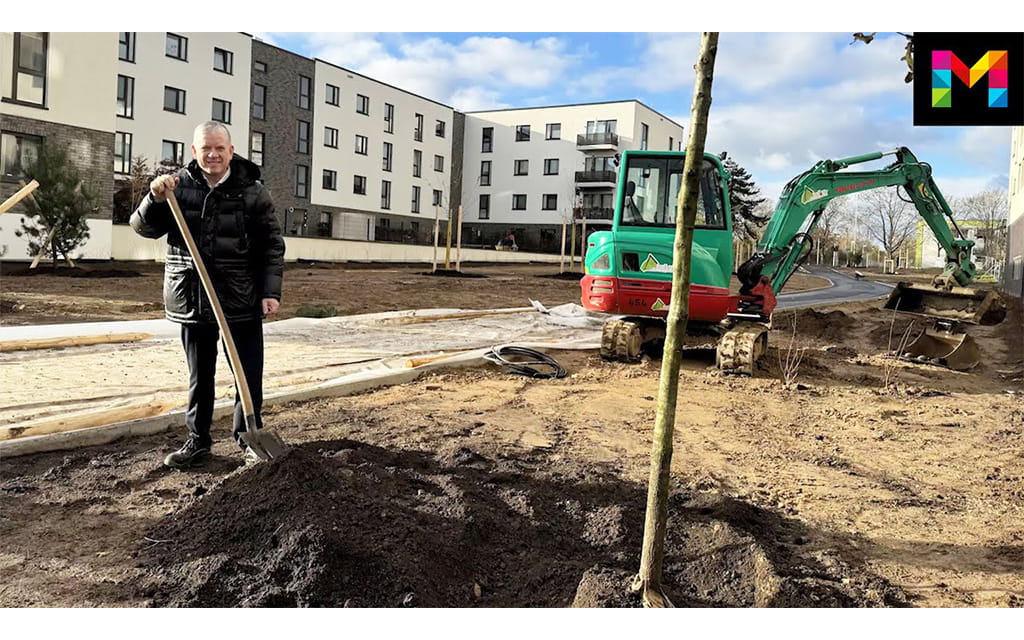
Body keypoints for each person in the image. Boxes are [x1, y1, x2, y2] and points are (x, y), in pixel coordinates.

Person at [130, 121, 285, 469]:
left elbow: (271, 246)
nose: (212, 155)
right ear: (194, 151)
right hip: (192, 296)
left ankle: (248, 438)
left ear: (231, 151)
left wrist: (269, 291)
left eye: (219, 148)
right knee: (200, 377)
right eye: (206, 148)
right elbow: (143, 227)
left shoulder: (253, 191)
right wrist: (153, 198)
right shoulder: (176, 188)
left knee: (247, 374)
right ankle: (198, 441)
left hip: (241, 297)